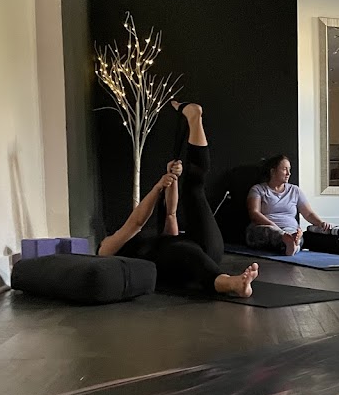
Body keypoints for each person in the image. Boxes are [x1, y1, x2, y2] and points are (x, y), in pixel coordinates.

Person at [98, 102, 259, 298]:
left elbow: (171, 215)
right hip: (182, 262)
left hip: (197, 253)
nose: (112, 234)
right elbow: (136, 223)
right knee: (187, 250)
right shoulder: (105, 250)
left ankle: (194, 118)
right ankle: (231, 283)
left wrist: (172, 178)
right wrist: (158, 188)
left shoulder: (151, 244)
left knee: (194, 188)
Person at [245, 155, 329, 255]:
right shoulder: (258, 189)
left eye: (289, 169)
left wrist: (320, 223)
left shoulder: (295, 190)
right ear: (273, 171)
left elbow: (308, 213)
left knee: (296, 235)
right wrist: (276, 228)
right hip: (266, 228)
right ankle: (289, 241)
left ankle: (292, 244)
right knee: (269, 232)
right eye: (285, 169)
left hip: (289, 229)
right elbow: (254, 213)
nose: (289, 173)